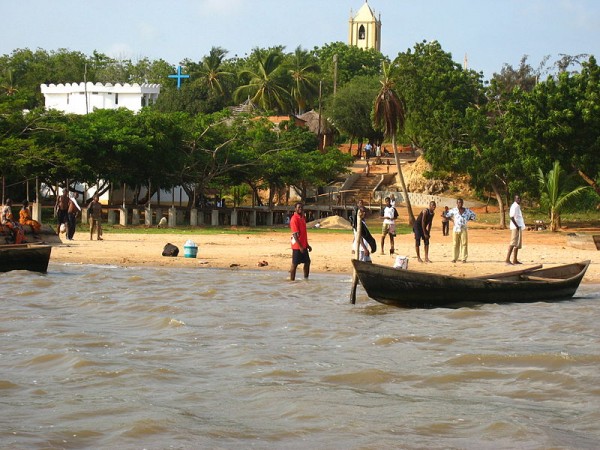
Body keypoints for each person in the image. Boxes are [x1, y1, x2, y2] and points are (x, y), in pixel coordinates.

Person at [443, 198, 476, 263]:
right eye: (458, 202)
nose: (459, 204)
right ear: (456, 203)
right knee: (455, 244)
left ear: (462, 203)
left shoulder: (467, 210)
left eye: (460, 202)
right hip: (456, 229)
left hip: (463, 228)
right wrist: (452, 220)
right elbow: (446, 215)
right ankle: (454, 258)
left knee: (464, 244)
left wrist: (468, 219)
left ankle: (463, 258)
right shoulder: (454, 210)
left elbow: (474, 215)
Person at [289, 202, 312, 281]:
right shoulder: (294, 219)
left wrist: (307, 245)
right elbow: (295, 235)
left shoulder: (302, 218)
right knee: (294, 264)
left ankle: (306, 279)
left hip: (304, 244)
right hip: (297, 246)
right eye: (298, 207)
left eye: (301, 207)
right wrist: (300, 247)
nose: (300, 209)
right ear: (295, 209)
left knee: (307, 262)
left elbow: (304, 233)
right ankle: (292, 280)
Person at [506, 194, 525, 265]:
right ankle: (507, 259)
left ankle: (515, 260)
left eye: (520, 199)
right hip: (515, 227)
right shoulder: (515, 206)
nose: (519, 200)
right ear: (515, 199)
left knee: (517, 244)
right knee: (513, 243)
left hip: (518, 226)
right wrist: (516, 226)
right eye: (517, 199)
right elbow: (511, 217)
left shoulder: (517, 206)